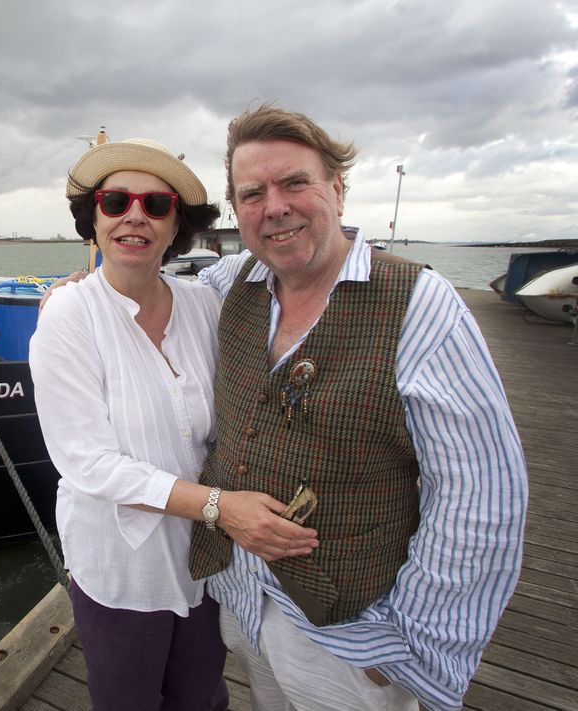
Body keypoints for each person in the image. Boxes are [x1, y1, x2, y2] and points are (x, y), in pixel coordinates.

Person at [188, 104, 528, 711]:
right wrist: (89, 295)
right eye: (252, 194)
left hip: (354, 637)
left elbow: (482, 499)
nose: (275, 206)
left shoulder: (420, 306)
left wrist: (406, 644)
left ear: (337, 190)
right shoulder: (227, 283)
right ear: (237, 212)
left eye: (295, 182)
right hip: (241, 598)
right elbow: (156, 302)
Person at [30, 137, 313, 710]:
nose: (135, 216)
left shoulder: (205, 304)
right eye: (116, 202)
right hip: (122, 568)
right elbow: (87, 461)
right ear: (95, 219)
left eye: (156, 206)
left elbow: (288, 255)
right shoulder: (69, 313)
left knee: (202, 697)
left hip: (206, 563)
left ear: (175, 226)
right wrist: (218, 506)